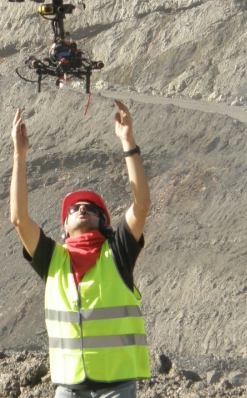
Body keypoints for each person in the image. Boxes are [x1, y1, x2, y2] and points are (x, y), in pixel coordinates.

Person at [10, 100, 151, 398]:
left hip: (117, 386)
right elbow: (19, 219)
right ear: (64, 228)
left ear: (105, 223)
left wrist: (128, 142)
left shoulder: (118, 252)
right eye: (74, 208)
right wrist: (19, 155)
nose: (82, 208)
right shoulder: (53, 259)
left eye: (91, 208)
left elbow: (141, 204)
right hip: (70, 388)